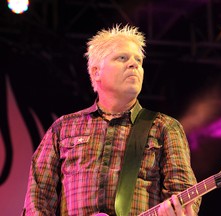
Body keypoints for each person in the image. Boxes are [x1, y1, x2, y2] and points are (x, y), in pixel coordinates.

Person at [22, 24, 201, 216]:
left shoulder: (165, 127)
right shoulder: (64, 128)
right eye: (122, 58)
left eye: (138, 60)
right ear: (96, 71)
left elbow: (183, 192)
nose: (134, 64)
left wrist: (181, 212)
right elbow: (37, 199)